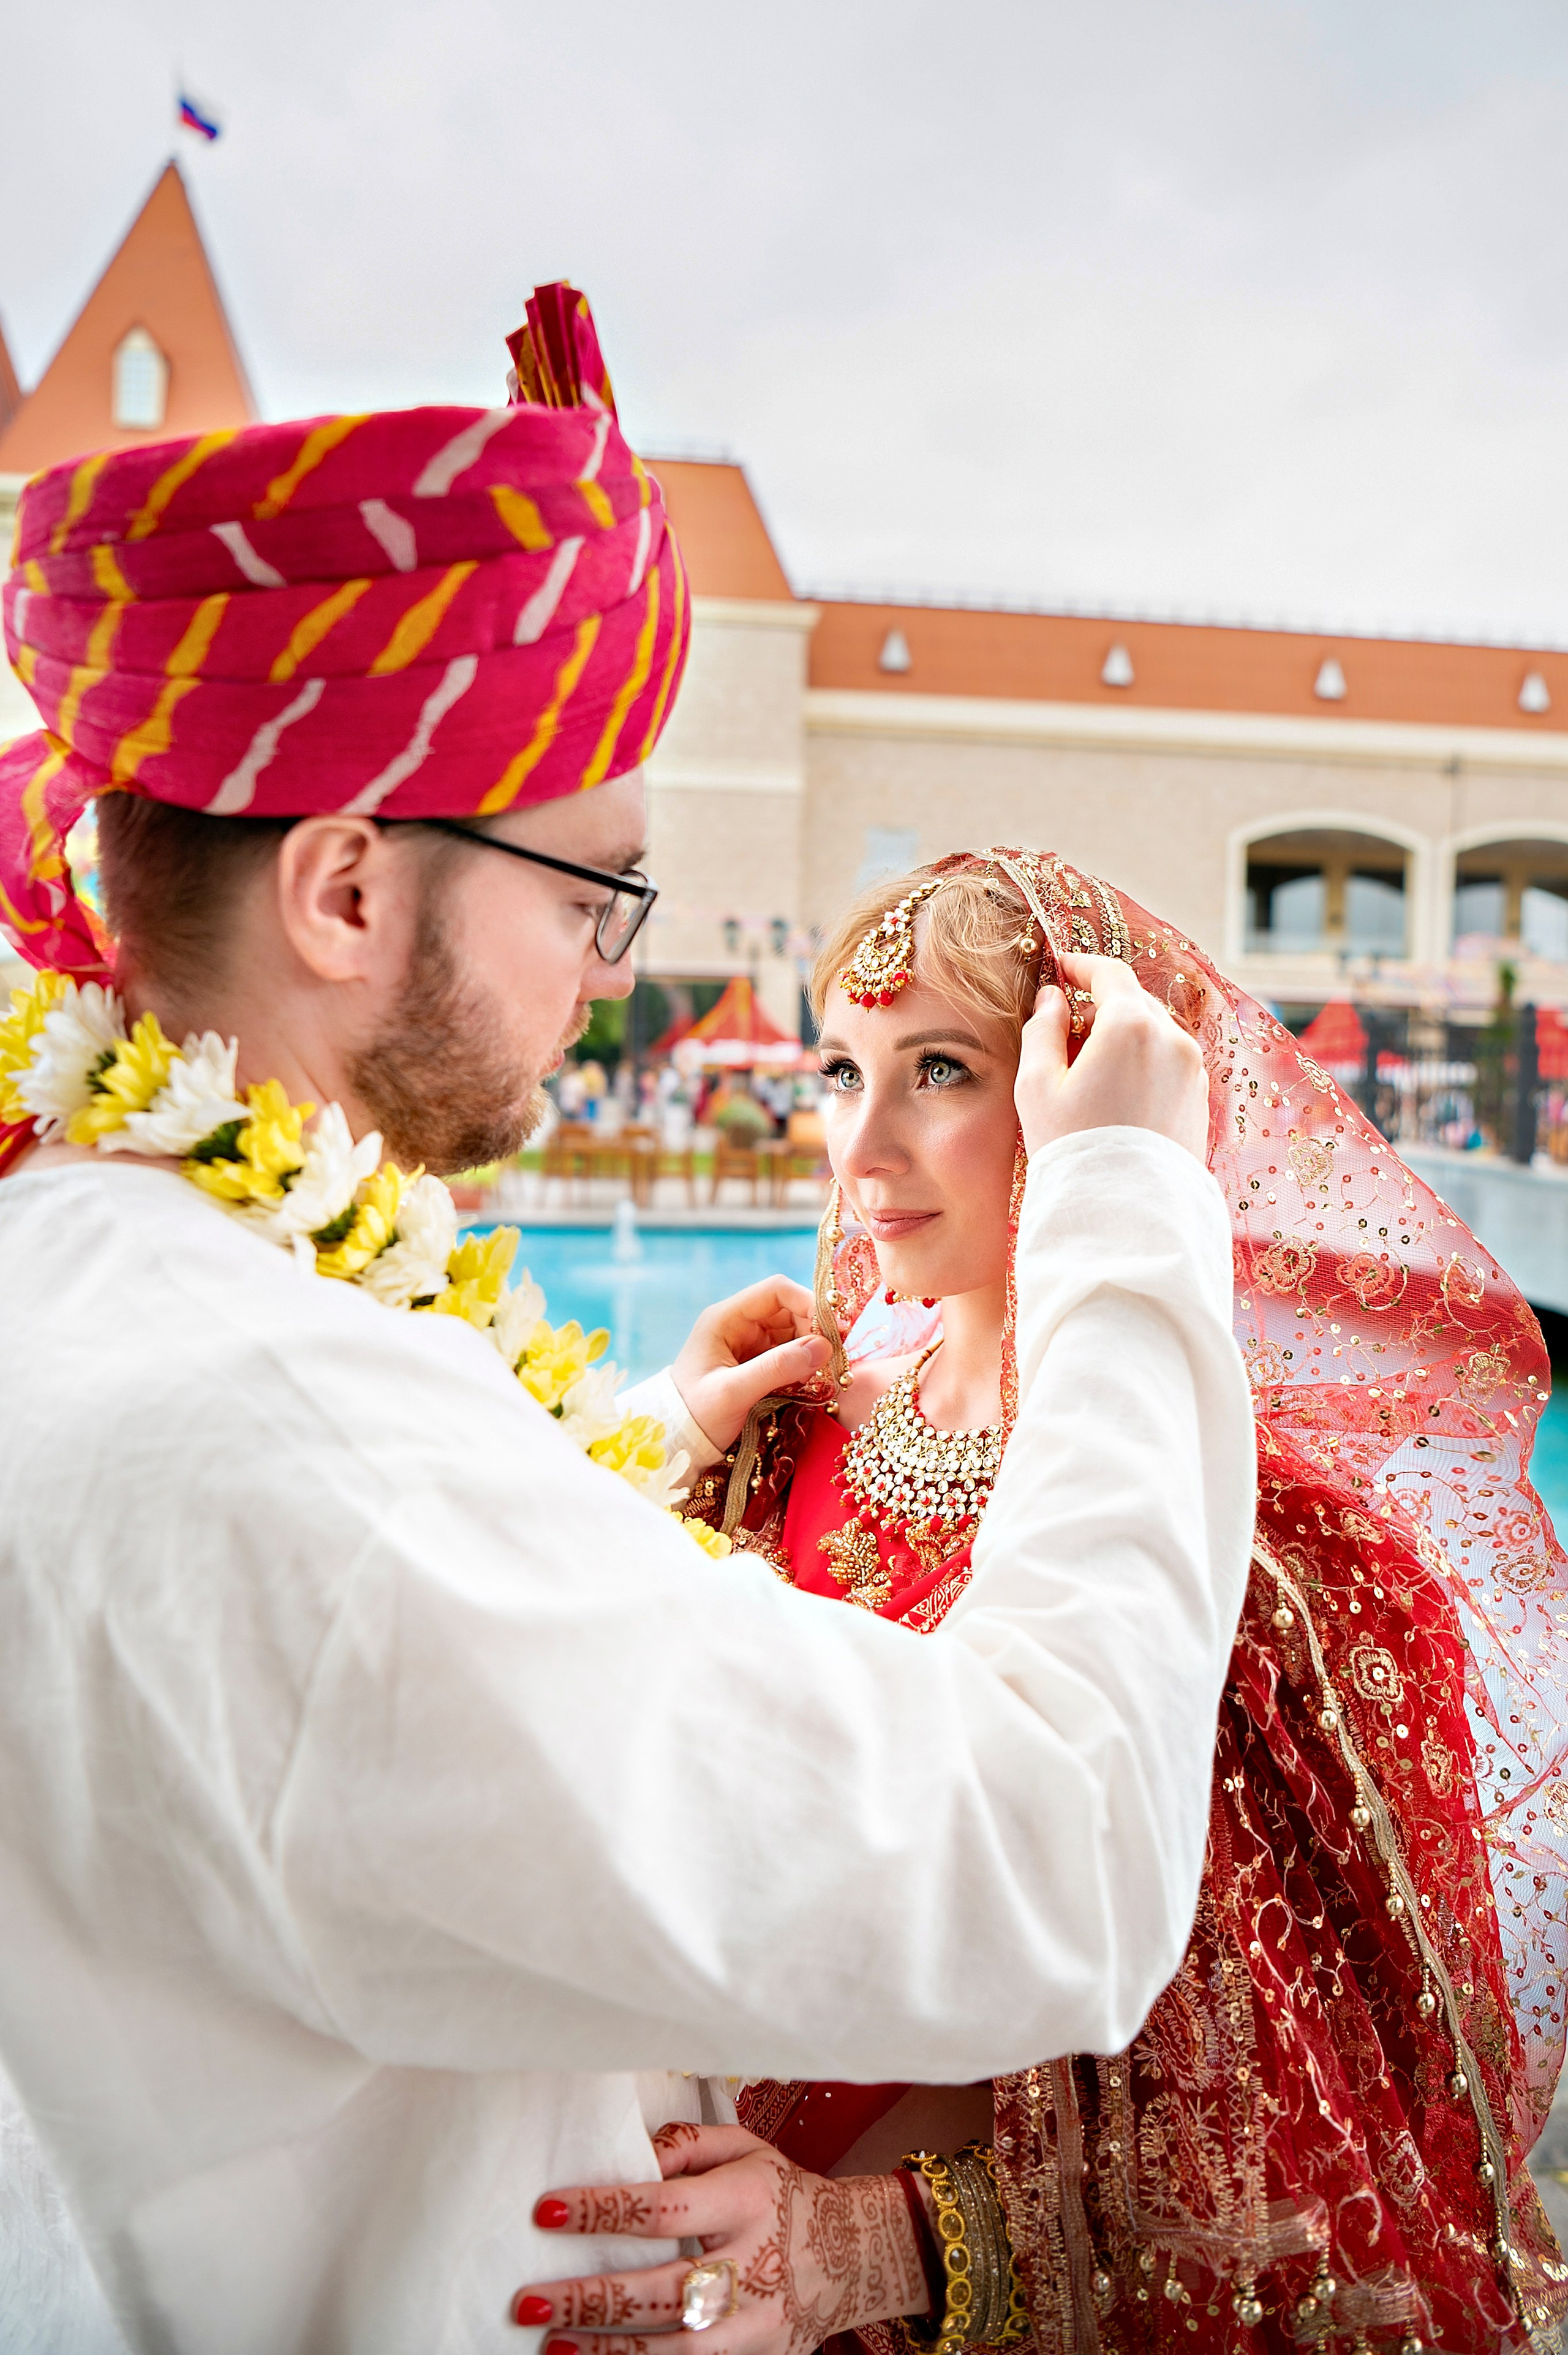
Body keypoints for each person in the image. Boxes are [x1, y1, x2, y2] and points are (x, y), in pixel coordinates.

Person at [0, 295, 1256, 2353]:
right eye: (590, 895)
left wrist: (633, 1461)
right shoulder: (312, 1470)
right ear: (342, 891)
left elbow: (381, 1671)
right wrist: (1127, 1203)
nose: (604, 972)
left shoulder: (80, 1256)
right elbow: (1058, 1852)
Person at [514, 852, 1568, 2353]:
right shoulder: (769, 1427)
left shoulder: (1254, 1550)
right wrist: (655, 1446)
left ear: (1091, 1102)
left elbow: (1298, 2136)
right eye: (840, 1069)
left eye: (936, 1069)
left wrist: (875, 2245)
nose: (857, 1148)